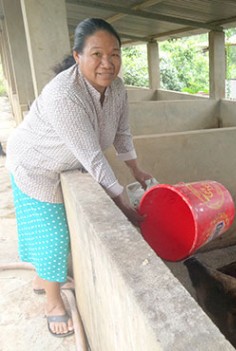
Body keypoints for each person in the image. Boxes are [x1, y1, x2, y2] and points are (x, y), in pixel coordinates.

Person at [6, 18, 153, 337]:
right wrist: (120, 199)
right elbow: (92, 156)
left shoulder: (117, 88)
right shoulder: (63, 94)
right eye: (96, 54)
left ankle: (42, 278)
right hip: (35, 165)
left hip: (64, 163)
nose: (107, 63)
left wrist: (136, 170)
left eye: (114, 54)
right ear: (77, 56)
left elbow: (122, 133)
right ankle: (53, 302)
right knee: (54, 235)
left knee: (50, 232)